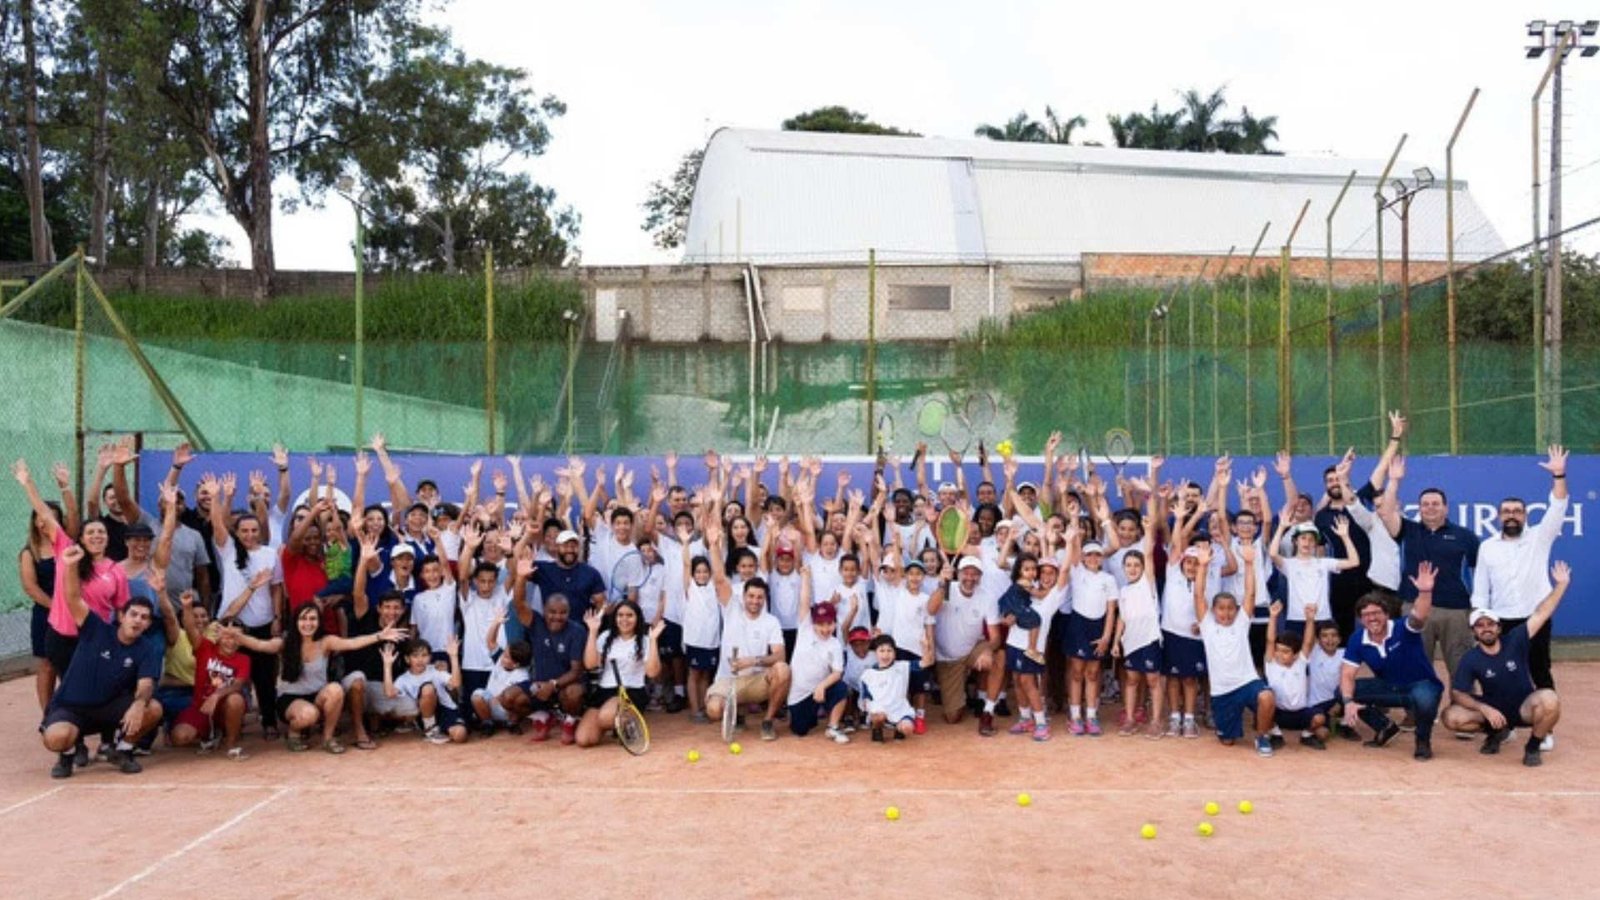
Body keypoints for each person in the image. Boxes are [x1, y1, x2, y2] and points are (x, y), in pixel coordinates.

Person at [16, 458, 128, 764]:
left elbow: (119, 609)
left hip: (97, 639)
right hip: (63, 636)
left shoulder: (114, 569)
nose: (96, 536)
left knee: (104, 686)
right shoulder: (66, 551)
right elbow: (44, 515)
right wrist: (28, 483)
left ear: (106, 540)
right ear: (81, 537)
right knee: (71, 686)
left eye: (101, 534)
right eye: (91, 533)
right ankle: (73, 745)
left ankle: (108, 742)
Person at [1470, 445, 1568, 752]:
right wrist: (1481, 620)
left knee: (1538, 669)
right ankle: (1504, 726)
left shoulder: (1540, 537)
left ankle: (1545, 728)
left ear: (1526, 515)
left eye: (1517, 511)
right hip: (1500, 620)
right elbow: (1480, 587)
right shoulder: (1487, 546)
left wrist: (1558, 474)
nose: (1512, 515)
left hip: (1534, 617)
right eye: (1507, 511)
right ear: (1499, 516)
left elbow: (1559, 505)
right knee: (1497, 677)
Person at [39, 544, 164, 778]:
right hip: (71, 707)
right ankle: (66, 754)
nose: (138, 621)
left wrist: (138, 705)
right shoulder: (95, 628)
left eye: (144, 618)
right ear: (121, 616)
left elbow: (146, 684)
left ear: (148, 624)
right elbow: (73, 597)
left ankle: (122, 749)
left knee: (152, 708)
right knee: (55, 738)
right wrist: (70, 565)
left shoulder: (146, 648)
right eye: (133, 614)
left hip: (108, 709)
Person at [1442, 562, 1569, 767]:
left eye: (1490, 624)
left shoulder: (1516, 639)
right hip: (1493, 708)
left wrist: (1561, 585)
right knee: (1451, 716)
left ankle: (1533, 746)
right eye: (1480, 626)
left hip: (1524, 707)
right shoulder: (1471, 658)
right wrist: (1484, 709)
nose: (1486, 629)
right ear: (1474, 632)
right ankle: (1495, 732)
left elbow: (1541, 613)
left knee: (1550, 699)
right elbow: (1459, 693)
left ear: (1499, 628)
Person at [232, 603, 405, 753]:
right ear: (296, 621)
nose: (308, 623)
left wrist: (379, 636)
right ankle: (294, 731)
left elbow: (352, 643)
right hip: (291, 699)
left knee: (336, 690)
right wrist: (237, 636)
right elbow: (260, 645)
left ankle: (328, 738)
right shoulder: (285, 642)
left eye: (313, 619)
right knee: (309, 715)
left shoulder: (326, 642)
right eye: (303, 618)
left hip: (317, 695)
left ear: (319, 622)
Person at [202, 473, 284, 740]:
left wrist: (277, 616)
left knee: (264, 677)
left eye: (254, 530)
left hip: (261, 624)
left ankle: (269, 720)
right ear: (236, 532)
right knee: (222, 675)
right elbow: (217, 524)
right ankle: (218, 726)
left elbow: (276, 588)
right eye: (244, 531)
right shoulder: (227, 550)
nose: (249, 535)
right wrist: (218, 497)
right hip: (230, 623)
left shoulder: (270, 554)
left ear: (260, 531)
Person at [1339, 562, 1443, 761]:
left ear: (1386, 614)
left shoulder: (1403, 627)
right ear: (1361, 619)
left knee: (1425, 699)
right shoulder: (1357, 638)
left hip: (1421, 685)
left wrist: (1425, 592)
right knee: (1343, 692)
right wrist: (1348, 702)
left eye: (1376, 613)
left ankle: (1422, 741)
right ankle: (1385, 727)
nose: (1372, 618)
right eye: (1366, 615)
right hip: (1390, 688)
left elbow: (1419, 615)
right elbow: (1347, 674)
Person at [704, 519, 792, 742]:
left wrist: (752, 662)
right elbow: (719, 578)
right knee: (713, 711)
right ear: (743, 597)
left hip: (755, 680)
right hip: (728, 679)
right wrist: (714, 545)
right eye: (751, 596)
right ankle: (737, 713)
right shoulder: (731, 606)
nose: (755, 601)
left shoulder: (771, 621)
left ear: (765, 599)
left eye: (759, 597)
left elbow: (780, 655)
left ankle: (768, 721)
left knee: (782, 669)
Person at [1192, 543, 1276, 756]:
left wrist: (1249, 563)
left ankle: (1262, 737)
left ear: (1236, 610)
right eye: (1221, 608)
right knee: (1227, 741)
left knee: (1266, 697)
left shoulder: (1241, 624)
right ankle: (1231, 725)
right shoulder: (1208, 626)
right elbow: (1198, 596)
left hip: (1247, 682)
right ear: (1213, 610)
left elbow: (1250, 593)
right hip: (1222, 691)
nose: (1226, 613)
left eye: (1230, 609)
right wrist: (1202, 566)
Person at [502, 565, 588, 743]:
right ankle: (542, 717)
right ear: (544, 610)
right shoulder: (537, 623)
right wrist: (521, 577)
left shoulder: (577, 631)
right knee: (507, 698)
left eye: (563, 612)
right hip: (539, 686)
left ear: (569, 613)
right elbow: (518, 603)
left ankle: (569, 721)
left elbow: (576, 671)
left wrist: (553, 684)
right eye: (552, 612)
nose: (557, 616)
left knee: (574, 693)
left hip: (563, 686)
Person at [170, 600, 253, 760]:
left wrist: (217, 695)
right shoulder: (205, 647)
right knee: (179, 738)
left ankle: (231, 743)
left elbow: (237, 685)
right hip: (201, 708)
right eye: (226, 636)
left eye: (236, 637)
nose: (230, 641)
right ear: (218, 636)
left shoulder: (243, 659)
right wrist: (187, 607)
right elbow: (190, 629)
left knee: (235, 699)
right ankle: (209, 735)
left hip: (224, 709)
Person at [1113, 483, 1164, 738]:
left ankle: (1156, 721)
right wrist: (1115, 642)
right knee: (1132, 680)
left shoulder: (1148, 582)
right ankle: (1130, 718)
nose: (1133, 568)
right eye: (1128, 565)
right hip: (1130, 642)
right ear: (1124, 568)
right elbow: (1121, 619)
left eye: (1136, 564)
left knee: (1153, 680)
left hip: (1150, 640)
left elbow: (1149, 545)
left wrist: (1147, 522)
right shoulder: (1124, 591)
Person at [576, 601, 665, 747]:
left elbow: (652, 672)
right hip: (605, 691)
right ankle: (619, 725)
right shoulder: (606, 636)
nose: (624, 620)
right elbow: (590, 664)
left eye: (630, 615)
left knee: (605, 717)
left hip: (631, 691)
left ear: (637, 618)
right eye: (620, 615)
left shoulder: (644, 640)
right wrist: (592, 631)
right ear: (614, 618)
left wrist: (653, 640)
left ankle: (628, 724)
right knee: (584, 740)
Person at [933, 556, 1002, 730]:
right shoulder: (947, 588)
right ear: (958, 573)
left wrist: (987, 650)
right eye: (966, 573)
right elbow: (930, 609)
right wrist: (942, 584)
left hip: (973, 649)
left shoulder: (987, 596)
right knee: (953, 717)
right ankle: (964, 692)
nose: (970, 578)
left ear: (980, 576)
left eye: (975, 574)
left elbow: (995, 637)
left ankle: (988, 712)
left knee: (999, 656)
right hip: (948, 659)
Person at [786, 571, 852, 742]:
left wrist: (822, 686)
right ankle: (811, 715)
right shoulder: (805, 628)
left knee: (841, 688)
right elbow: (804, 600)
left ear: (834, 623)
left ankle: (833, 727)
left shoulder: (835, 643)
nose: (825, 629)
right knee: (800, 729)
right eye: (820, 624)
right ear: (813, 623)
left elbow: (837, 672)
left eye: (829, 623)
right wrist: (806, 577)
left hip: (820, 689)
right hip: (799, 694)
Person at [1264, 600, 1329, 749]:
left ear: (1295, 655)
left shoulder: (1300, 662)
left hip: (1300, 713)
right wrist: (1273, 617)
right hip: (1278, 713)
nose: (1280, 654)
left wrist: (1310, 619)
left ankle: (1306, 735)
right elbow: (1269, 640)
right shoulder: (1271, 663)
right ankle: (1276, 734)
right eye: (1278, 650)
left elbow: (1308, 642)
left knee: (1319, 719)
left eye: (1286, 652)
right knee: (1261, 709)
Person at [382, 637, 468, 744]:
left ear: (429, 657)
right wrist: (387, 666)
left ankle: (441, 730)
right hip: (424, 713)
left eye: (424, 655)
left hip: (445, 709)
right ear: (407, 659)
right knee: (428, 688)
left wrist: (453, 656)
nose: (420, 660)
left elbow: (455, 683)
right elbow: (389, 693)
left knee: (460, 735)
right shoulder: (403, 679)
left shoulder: (435, 670)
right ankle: (430, 729)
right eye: (415, 656)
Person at [471, 632, 531, 735]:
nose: (503, 657)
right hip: (490, 705)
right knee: (477, 695)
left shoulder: (522, 675)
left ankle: (512, 724)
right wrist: (497, 623)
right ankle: (488, 723)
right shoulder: (500, 660)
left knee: (519, 699)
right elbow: (490, 641)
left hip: (507, 710)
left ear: (516, 664)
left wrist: (499, 698)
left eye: (507, 656)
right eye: (504, 654)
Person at [861, 634, 918, 742]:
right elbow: (866, 696)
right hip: (880, 708)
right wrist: (870, 709)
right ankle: (877, 729)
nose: (886, 655)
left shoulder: (902, 667)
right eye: (882, 651)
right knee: (879, 717)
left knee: (908, 728)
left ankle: (898, 728)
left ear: (895, 653)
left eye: (889, 650)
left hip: (899, 708)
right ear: (875, 653)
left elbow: (926, 662)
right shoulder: (868, 674)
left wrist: (926, 646)